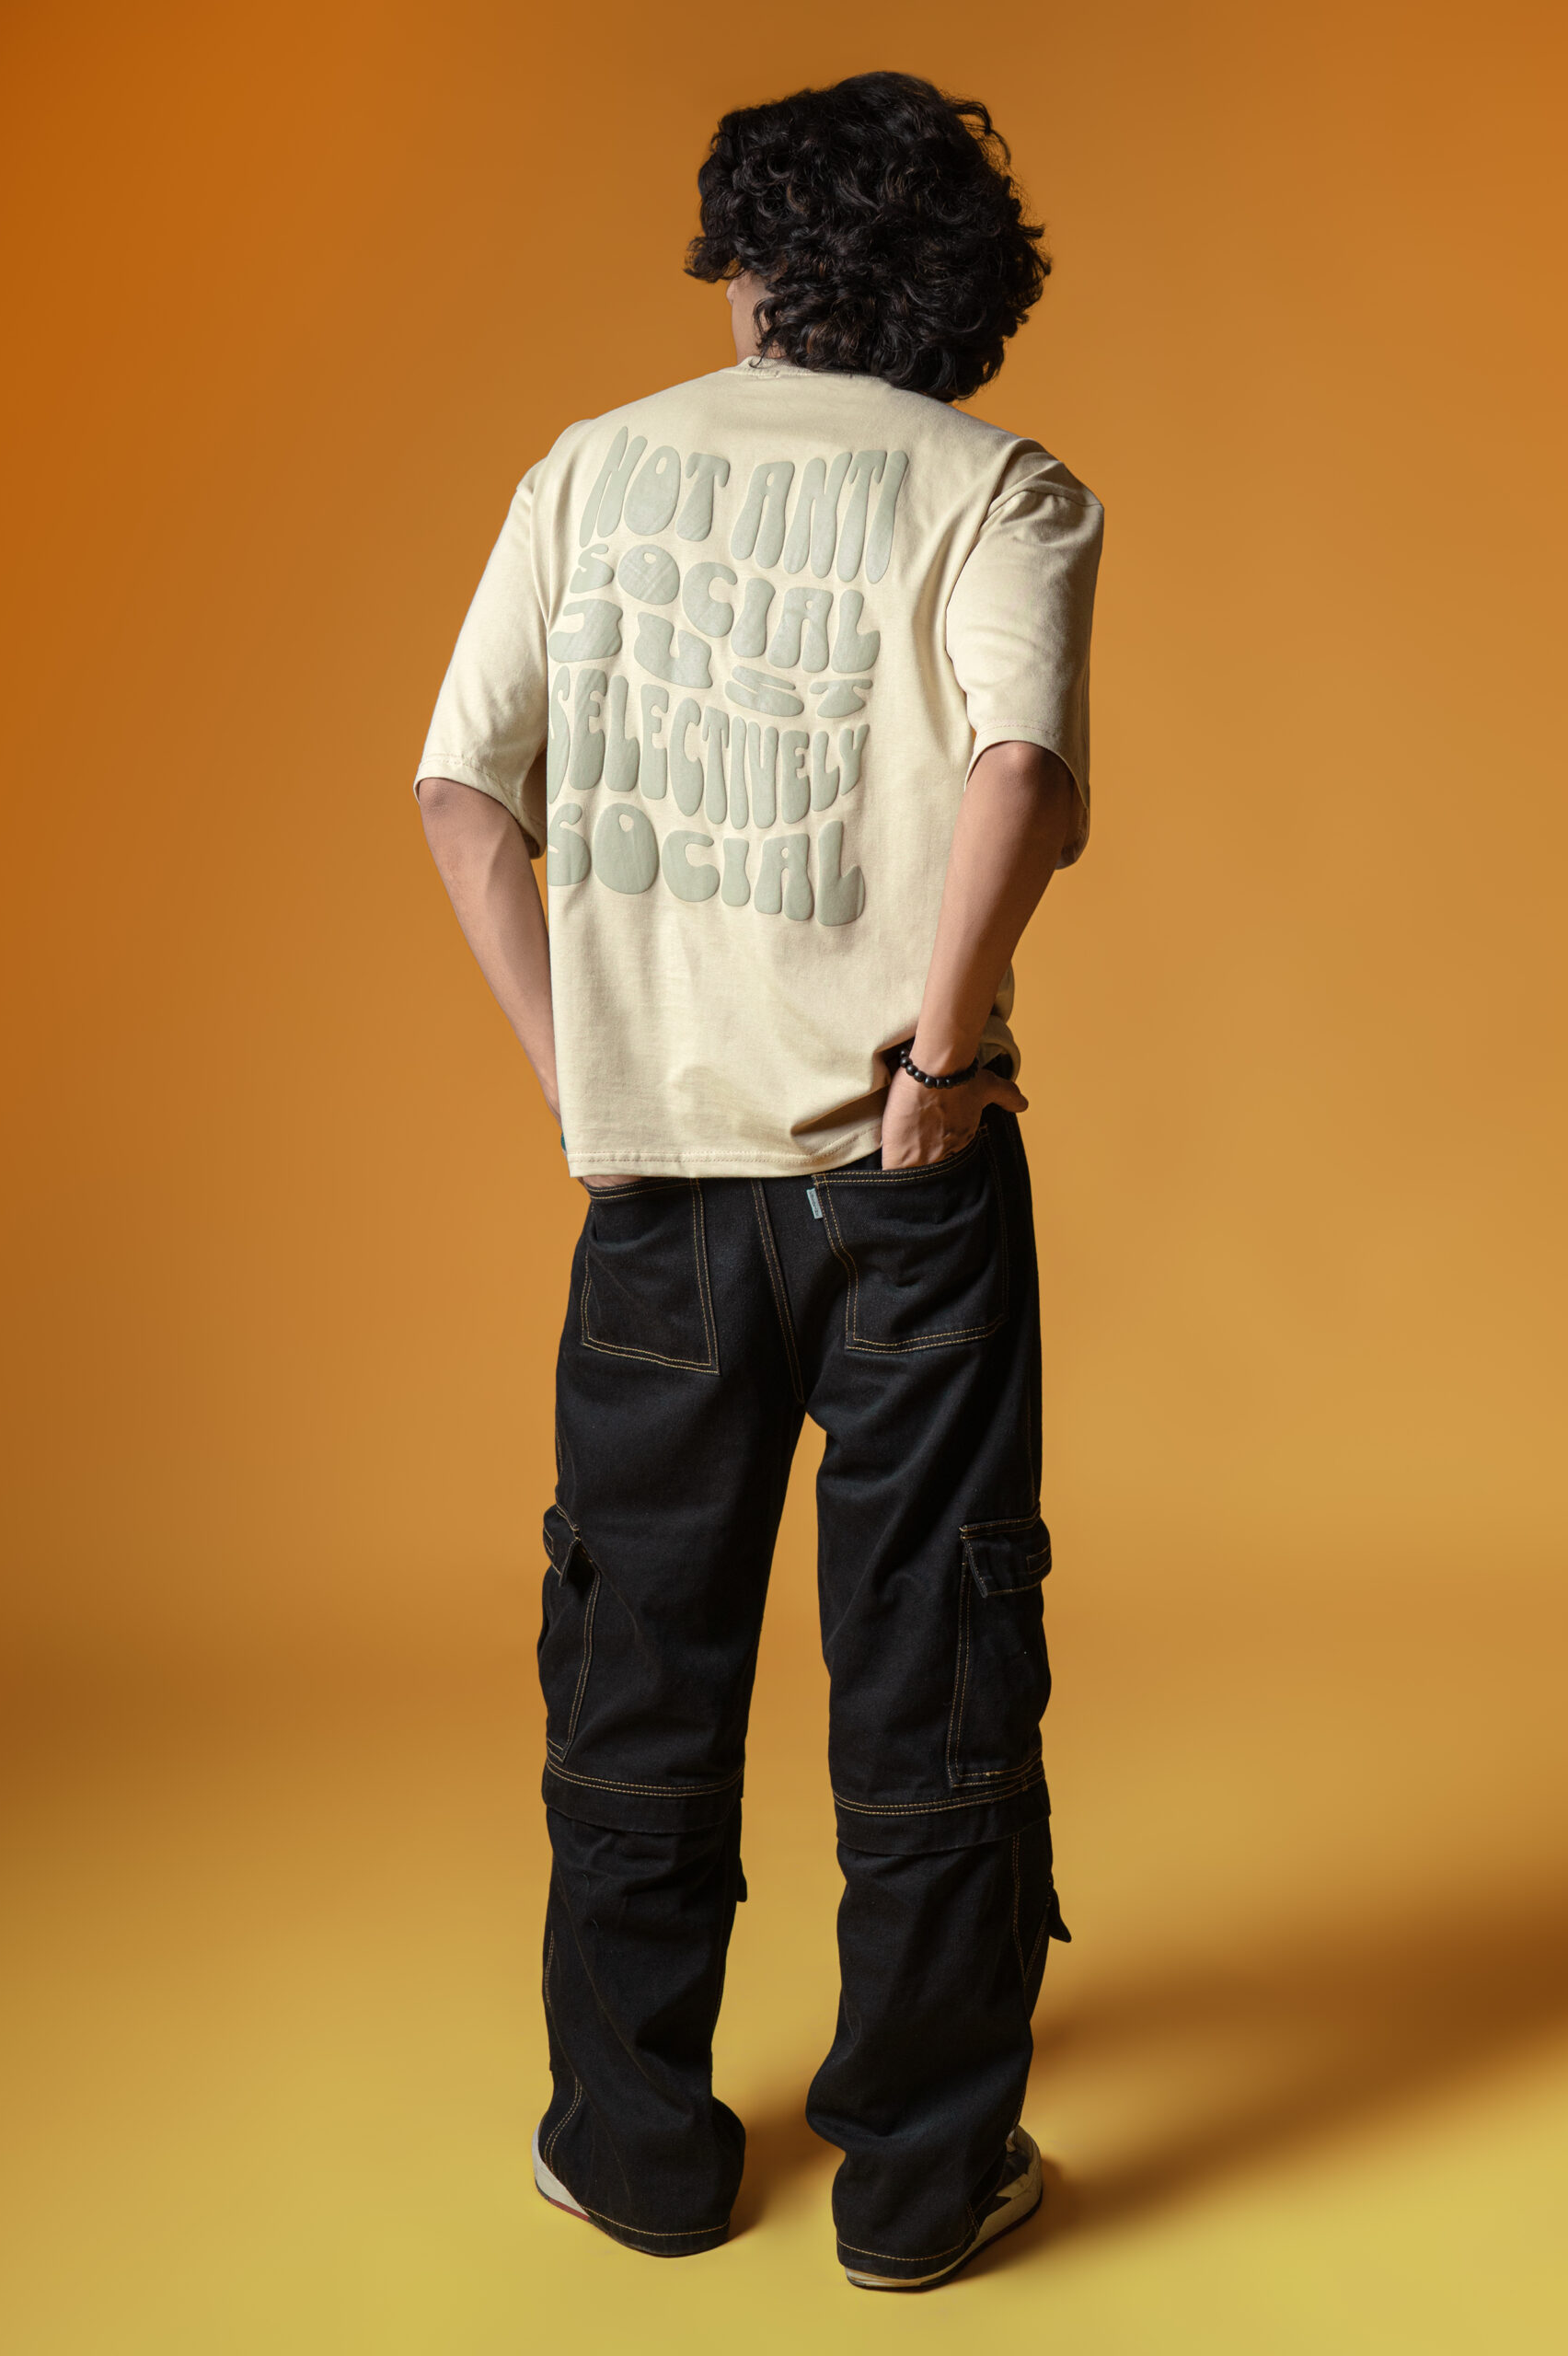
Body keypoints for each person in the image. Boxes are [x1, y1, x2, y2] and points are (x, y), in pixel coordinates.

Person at [414, 69, 1103, 2291]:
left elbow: (459, 795)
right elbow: (1021, 770)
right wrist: (937, 1052)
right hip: (912, 1177)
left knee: (638, 1653)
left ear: (756, 260)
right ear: (944, 284)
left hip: (659, 1188)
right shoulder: (1003, 485)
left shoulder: (587, 469)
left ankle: (634, 2150)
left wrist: (587, 1081)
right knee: (932, 1653)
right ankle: (919, 2181)